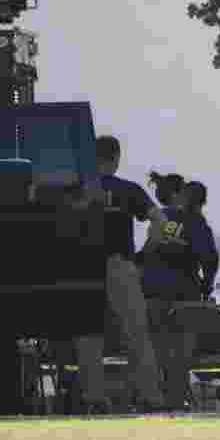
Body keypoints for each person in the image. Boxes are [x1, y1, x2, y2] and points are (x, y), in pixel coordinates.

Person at [72, 135, 167, 414]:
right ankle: (149, 397)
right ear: (116, 157)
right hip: (120, 265)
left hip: (83, 268)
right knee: (136, 333)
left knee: (88, 335)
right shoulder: (129, 189)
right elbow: (160, 221)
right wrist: (145, 254)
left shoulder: (77, 188)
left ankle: (95, 399)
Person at [141, 176, 219, 411]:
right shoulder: (198, 223)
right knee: (181, 352)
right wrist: (207, 284)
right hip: (185, 294)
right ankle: (176, 400)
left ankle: (156, 399)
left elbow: (146, 252)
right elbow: (210, 260)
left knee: (157, 349)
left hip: (154, 291)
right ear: (201, 203)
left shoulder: (161, 218)